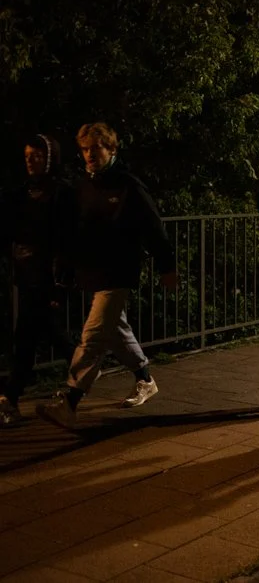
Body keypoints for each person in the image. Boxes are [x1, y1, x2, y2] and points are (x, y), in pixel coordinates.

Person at [36, 122, 178, 429]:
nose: (89, 154)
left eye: (96, 148)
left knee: (94, 334)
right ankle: (145, 379)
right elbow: (75, 231)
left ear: (111, 149)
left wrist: (167, 266)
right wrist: (66, 268)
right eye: (85, 149)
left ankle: (70, 400)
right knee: (116, 329)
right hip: (93, 271)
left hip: (119, 272)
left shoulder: (129, 186)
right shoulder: (83, 186)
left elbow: (154, 228)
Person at [0, 135, 76, 426]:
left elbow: (67, 238)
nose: (30, 161)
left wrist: (62, 280)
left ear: (49, 158)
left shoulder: (61, 193)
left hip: (49, 275)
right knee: (42, 333)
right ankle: (80, 378)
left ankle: (11, 396)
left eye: (36, 155)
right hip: (27, 274)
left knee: (33, 335)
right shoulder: (20, 194)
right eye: (27, 155)